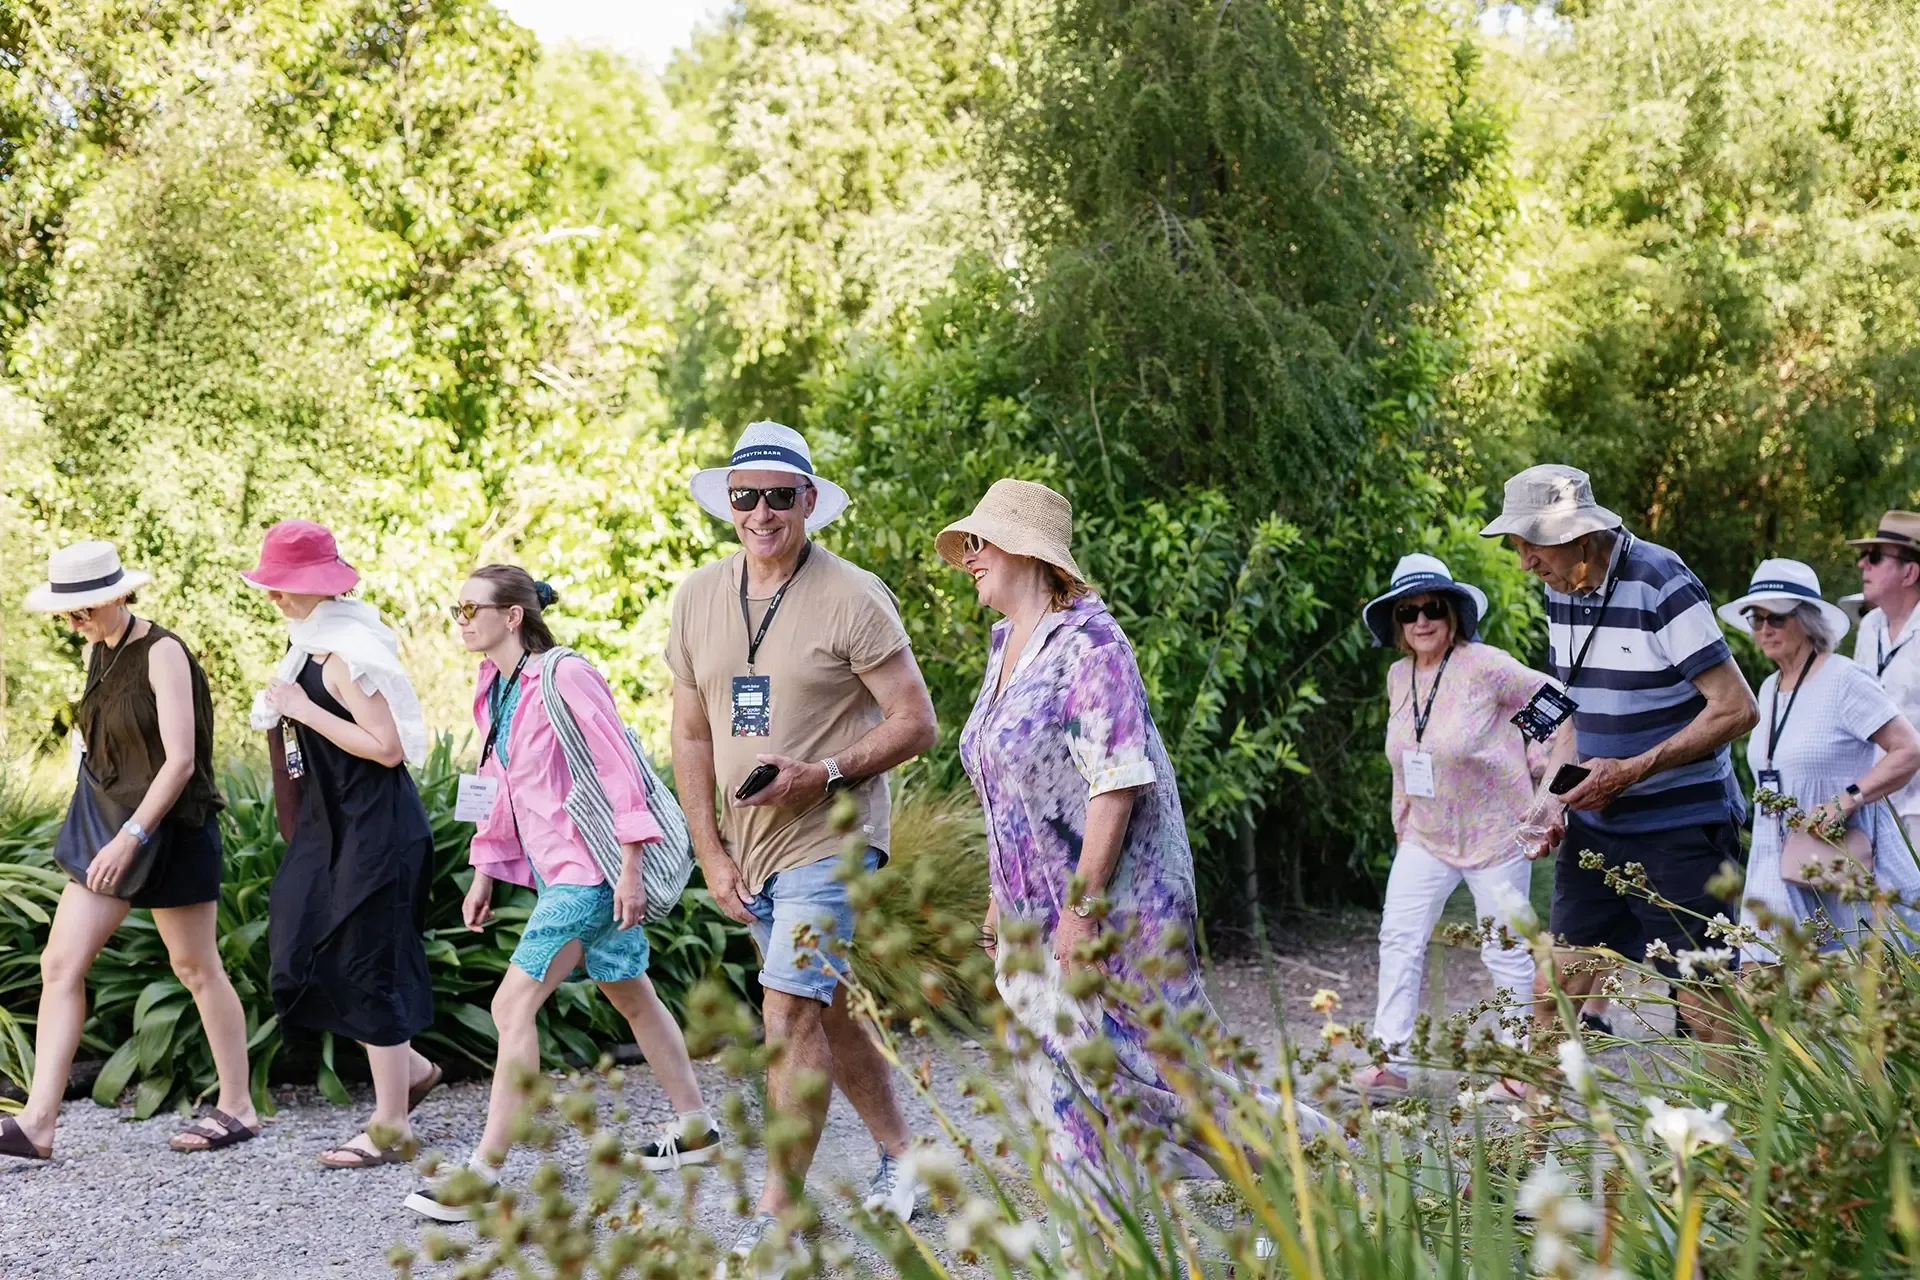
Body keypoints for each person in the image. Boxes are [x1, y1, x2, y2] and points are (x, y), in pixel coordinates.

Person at [940, 479, 1337, 1226]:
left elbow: (1115, 782)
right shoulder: (1005, 649)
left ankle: (1312, 1162)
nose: (968, 558)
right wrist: (1000, 895)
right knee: (1055, 1076)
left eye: (979, 542)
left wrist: (1081, 915)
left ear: (1026, 550)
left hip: (1113, 912)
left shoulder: (1093, 643)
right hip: (1031, 916)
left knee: (1159, 1074)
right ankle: (1096, 1236)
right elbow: (1008, 783)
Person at [667, 421, 939, 1267]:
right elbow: (691, 735)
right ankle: (904, 1154)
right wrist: (709, 851)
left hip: (833, 838)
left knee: (784, 1012)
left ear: (809, 503)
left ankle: (778, 1209)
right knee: (821, 1008)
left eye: (779, 496)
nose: (760, 512)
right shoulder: (697, 596)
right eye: (745, 496)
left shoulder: (854, 595)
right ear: (729, 504)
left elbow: (916, 722)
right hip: (749, 851)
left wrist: (823, 774)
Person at [404, 566, 719, 1222]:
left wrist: (632, 865)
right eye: (455, 607)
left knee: (510, 1007)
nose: (461, 619)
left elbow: (618, 769)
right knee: (632, 997)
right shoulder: (497, 686)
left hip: (592, 873)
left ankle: (483, 1174)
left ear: (513, 614)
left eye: (471, 607)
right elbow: (498, 779)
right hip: (562, 874)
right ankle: (697, 1129)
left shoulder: (565, 674)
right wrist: (485, 867)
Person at [1480, 465, 1759, 1045]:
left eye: (1532, 547)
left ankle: (1736, 1136)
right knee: (1552, 991)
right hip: (1597, 829)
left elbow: (1736, 709)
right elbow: (1572, 716)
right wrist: (1548, 800)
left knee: (1705, 1003)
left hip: (1681, 828)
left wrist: (1630, 772)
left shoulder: (1662, 580)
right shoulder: (1563, 591)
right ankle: (1530, 1140)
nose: (1525, 563)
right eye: (1519, 547)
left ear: (1579, 540)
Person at [3, 542, 259, 1161]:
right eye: (67, 614)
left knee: (195, 968)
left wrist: (133, 835)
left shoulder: (163, 651)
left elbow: (181, 761)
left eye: (85, 609)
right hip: (107, 826)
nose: (76, 622)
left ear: (119, 593)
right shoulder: (97, 648)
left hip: (170, 831)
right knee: (60, 966)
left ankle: (239, 1105)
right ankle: (39, 1124)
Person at [244, 520, 440, 1168]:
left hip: (378, 830)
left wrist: (303, 709)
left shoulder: (347, 652)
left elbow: (387, 749)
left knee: (366, 966)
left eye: (285, 586)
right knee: (299, 946)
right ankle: (408, 1069)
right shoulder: (308, 647)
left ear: (319, 587)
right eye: (271, 586)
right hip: (336, 830)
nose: (275, 598)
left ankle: (392, 1126)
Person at [1350, 554, 1551, 1097]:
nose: (1421, 620)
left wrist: (1546, 779)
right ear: (1396, 623)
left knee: (1504, 948)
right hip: (1426, 834)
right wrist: (1401, 821)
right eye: (1408, 610)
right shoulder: (1399, 677)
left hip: (1497, 831)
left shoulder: (1485, 666)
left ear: (1454, 613)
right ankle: (1389, 1060)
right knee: (1399, 938)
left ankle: (1518, 1071)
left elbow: (1553, 707)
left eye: (1433, 607)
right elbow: (1405, 756)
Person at [1718, 560, 1920, 962]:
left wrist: (1844, 801)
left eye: (1776, 617)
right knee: (1758, 983)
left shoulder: (1845, 679)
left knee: (1861, 984)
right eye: (1756, 619)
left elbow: (1909, 750)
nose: (1764, 629)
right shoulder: (1769, 687)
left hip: (1839, 858)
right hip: (1772, 859)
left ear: (1807, 620)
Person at [1848, 511, 1920, 848]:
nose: (1863, 564)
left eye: (1875, 557)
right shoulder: (1869, 626)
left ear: (1910, 572)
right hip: (1873, 802)